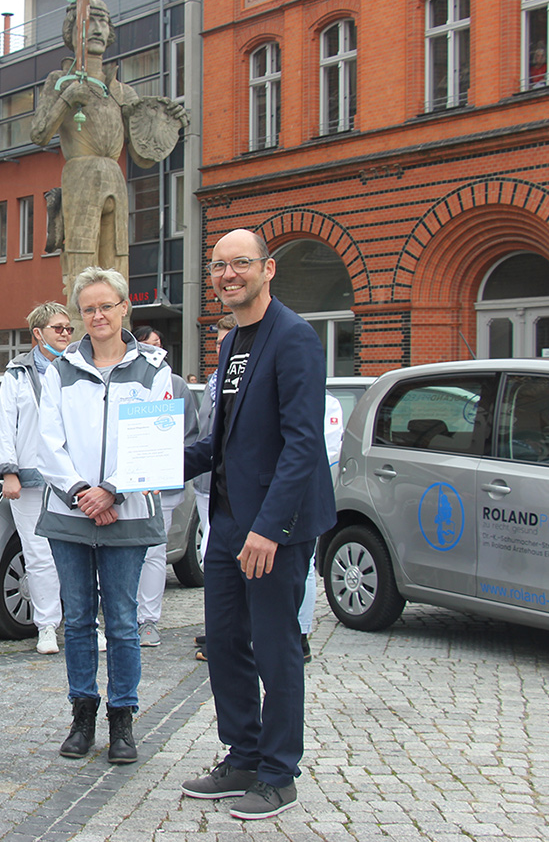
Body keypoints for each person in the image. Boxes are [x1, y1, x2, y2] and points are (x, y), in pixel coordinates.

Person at [180, 230, 336, 819]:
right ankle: (242, 754)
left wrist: (268, 529)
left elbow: (302, 444)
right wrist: (142, 470)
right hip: (228, 523)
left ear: (267, 269)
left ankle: (278, 773)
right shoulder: (232, 345)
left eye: (240, 264)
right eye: (218, 266)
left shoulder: (293, 337)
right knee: (223, 643)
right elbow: (220, 442)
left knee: (276, 649)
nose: (227, 274)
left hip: (278, 526)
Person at [38, 267, 172, 766]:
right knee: (76, 621)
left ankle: (122, 720)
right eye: (88, 308)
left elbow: (156, 438)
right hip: (70, 510)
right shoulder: (60, 369)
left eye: (105, 306)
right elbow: (47, 442)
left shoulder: (155, 368)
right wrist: (81, 493)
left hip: (129, 510)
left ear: (123, 309)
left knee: (120, 620)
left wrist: (112, 490)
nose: (97, 315)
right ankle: (82, 714)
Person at [30, 0, 186, 293]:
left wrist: (168, 124)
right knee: (81, 259)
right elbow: (38, 133)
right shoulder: (60, 81)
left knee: (117, 263)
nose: (98, 29)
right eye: (90, 22)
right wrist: (67, 99)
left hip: (114, 175)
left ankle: (118, 325)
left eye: (104, 22)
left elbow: (144, 155)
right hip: (80, 174)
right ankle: (79, 325)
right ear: (73, 32)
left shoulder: (122, 91)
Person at [0, 301, 71, 655]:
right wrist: (8, 471)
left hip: (72, 479)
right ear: (38, 334)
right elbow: (5, 425)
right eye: (59, 329)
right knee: (38, 555)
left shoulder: (77, 368)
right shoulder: (18, 373)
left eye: (69, 328)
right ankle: (46, 627)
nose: (66, 335)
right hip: (29, 480)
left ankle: (87, 624)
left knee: (79, 553)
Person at [130, 325, 198, 649]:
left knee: (154, 552)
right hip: (125, 486)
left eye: (158, 345)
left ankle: (148, 620)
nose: (154, 350)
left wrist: (170, 466)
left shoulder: (177, 386)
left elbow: (190, 434)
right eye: (147, 345)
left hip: (163, 488)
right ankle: (122, 616)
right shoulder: (122, 379)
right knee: (125, 553)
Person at [195, 315, 235, 664]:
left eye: (227, 341)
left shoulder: (239, 381)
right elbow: (204, 438)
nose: (220, 347)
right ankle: (219, 631)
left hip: (236, 492)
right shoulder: (212, 381)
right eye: (217, 342)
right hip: (205, 485)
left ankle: (225, 634)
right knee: (213, 560)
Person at [296, 391, 345, 663]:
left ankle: (301, 634)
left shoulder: (328, 403)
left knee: (306, 564)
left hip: (309, 489)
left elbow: (329, 450)